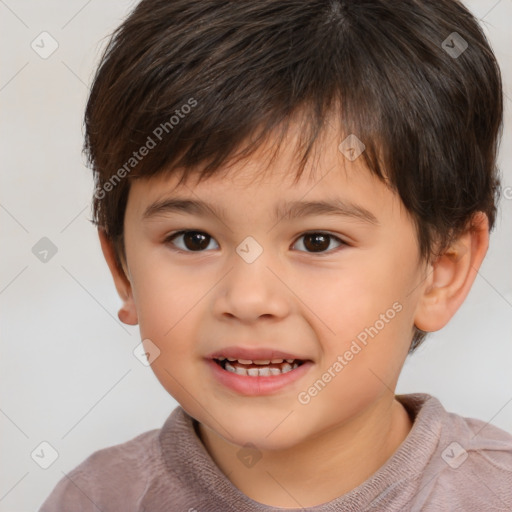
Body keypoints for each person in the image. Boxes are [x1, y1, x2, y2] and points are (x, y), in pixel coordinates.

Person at [39, 0, 512, 510]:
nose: (248, 298)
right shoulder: (95, 498)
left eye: (317, 241)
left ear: (443, 270)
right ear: (123, 268)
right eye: (193, 239)